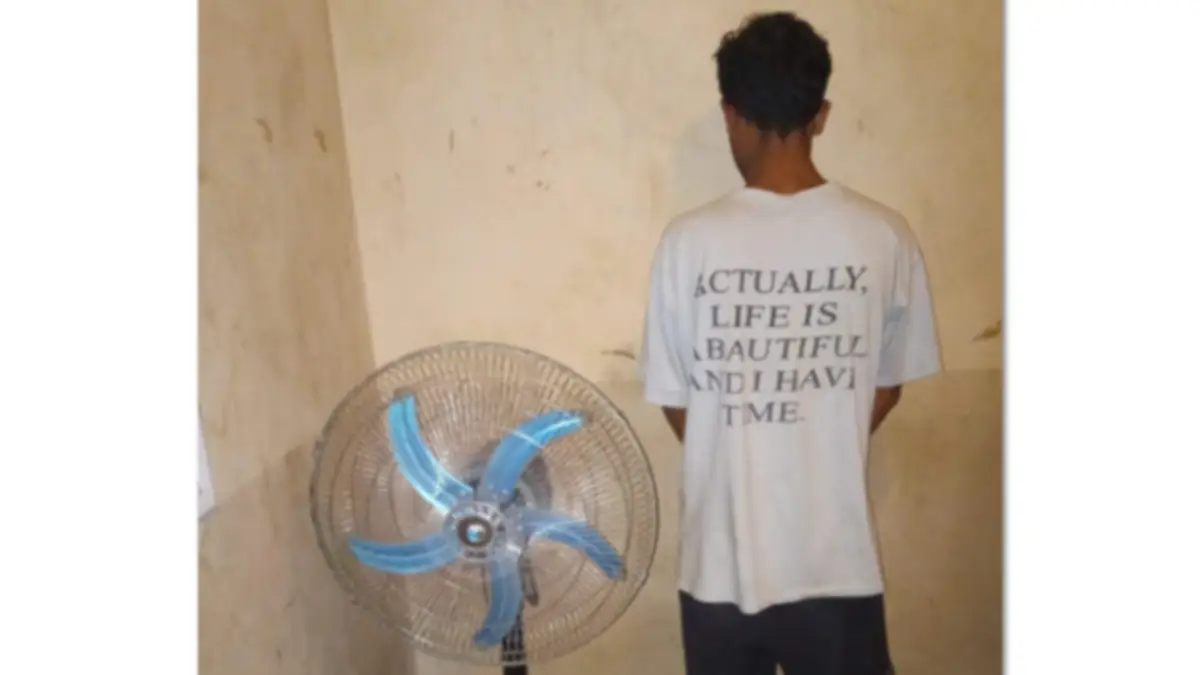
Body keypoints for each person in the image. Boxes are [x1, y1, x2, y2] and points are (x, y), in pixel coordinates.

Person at [638, 12, 942, 675]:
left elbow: (677, 400)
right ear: (822, 114)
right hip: (836, 565)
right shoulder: (886, 235)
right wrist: (813, 432)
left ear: (730, 114)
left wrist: (744, 436)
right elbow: (887, 387)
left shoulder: (686, 242)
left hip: (719, 566)